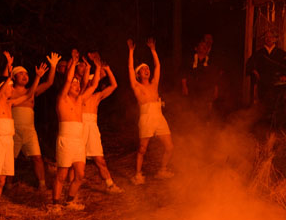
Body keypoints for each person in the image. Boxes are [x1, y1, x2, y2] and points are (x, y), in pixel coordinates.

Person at [0, 57, 46, 212]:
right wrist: (8, 70)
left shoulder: (10, 103)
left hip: (9, 141)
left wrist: (39, 77)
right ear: (2, 88)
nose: (11, 88)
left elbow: (28, 95)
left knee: (1, 179)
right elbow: (0, 91)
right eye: (9, 86)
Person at [50, 50, 101, 212]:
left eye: (78, 84)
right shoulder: (62, 99)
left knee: (80, 175)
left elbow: (94, 85)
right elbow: (67, 81)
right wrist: (73, 61)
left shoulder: (80, 100)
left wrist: (97, 66)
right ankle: (55, 204)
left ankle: (69, 201)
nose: (77, 86)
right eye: (74, 84)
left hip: (78, 141)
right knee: (62, 175)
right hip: (66, 139)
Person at [3, 50, 60, 191]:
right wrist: (8, 65)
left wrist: (53, 66)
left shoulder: (32, 91)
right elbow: (3, 80)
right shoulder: (9, 91)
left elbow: (49, 83)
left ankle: (42, 185)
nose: (25, 76)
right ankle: (8, 185)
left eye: (27, 74)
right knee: (11, 159)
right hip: (14, 129)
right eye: (21, 73)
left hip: (29, 130)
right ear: (14, 77)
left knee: (37, 157)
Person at [128, 37, 173, 183]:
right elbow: (129, 69)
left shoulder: (154, 84)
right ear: (138, 75)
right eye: (143, 70)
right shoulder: (137, 87)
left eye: (147, 68)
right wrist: (131, 52)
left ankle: (162, 170)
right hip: (146, 117)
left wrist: (153, 50)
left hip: (158, 116)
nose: (146, 71)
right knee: (142, 149)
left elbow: (158, 67)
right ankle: (138, 174)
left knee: (170, 146)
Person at [80, 52, 122, 193]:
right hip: (80, 126)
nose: (93, 84)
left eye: (94, 82)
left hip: (92, 126)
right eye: (92, 81)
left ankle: (110, 185)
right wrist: (90, 67)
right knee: (76, 160)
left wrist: (107, 68)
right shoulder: (79, 96)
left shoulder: (97, 96)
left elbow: (114, 85)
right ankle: (69, 187)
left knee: (100, 158)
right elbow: (86, 81)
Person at [246, 30, 286, 112]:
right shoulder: (259, 53)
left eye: (271, 37)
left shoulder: (281, 54)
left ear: (275, 39)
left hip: (277, 84)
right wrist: (254, 71)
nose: (268, 39)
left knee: (277, 107)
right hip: (263, 84)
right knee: (263, 107)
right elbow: (249, 64)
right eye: (266, 37)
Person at [181, 33, 219, 121]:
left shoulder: (210, 61)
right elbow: (183, 73)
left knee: (206, 113)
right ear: (196, 48)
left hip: (206, 90)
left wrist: (216, 90)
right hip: (193, 90)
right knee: (192, 111)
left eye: (205, 46)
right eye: (201, 46)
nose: (204, 47)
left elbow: (215, 77)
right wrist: (184, 86)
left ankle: (205, 128)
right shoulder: (190, 60)